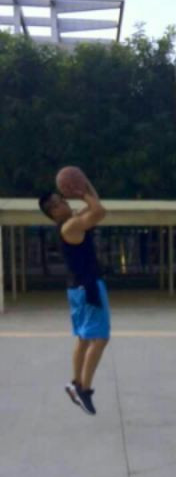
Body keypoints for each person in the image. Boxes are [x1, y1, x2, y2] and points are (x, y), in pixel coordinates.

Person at [38, 177, 109, 415]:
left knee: (84, 338)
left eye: (63, 198)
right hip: (88, 287)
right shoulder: (70, 226)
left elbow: (96, 204)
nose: (65, 202)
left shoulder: (72, 222)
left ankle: (75, 383)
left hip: (76, 289)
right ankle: (84, 389)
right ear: (54, 211)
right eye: (59, 201)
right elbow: (100, 212)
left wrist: (86, 183)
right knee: (100, 338)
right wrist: (81, 193)